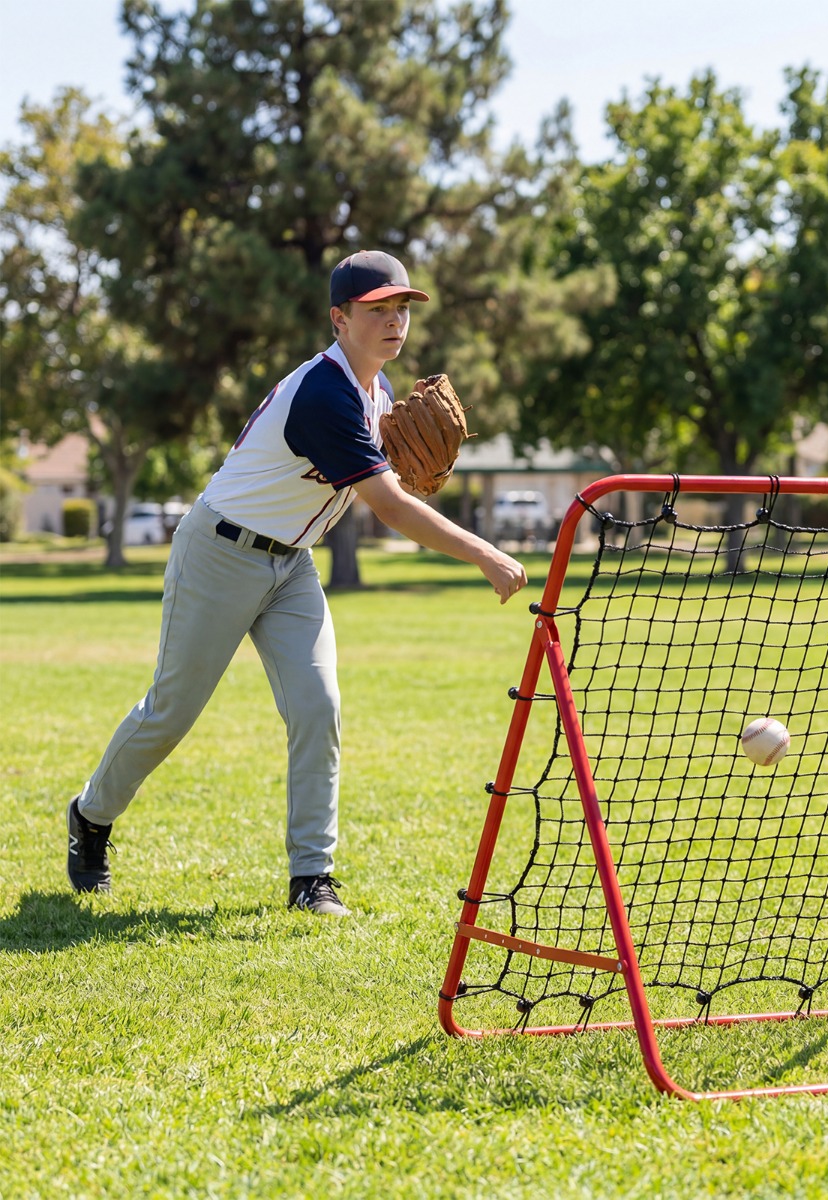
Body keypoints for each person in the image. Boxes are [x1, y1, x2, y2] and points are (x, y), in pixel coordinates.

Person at [67, 250, 528, 916]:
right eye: (377, 309)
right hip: (220, 553)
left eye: (402, 308)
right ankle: (90, 816)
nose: (395, 320)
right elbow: (391, 508)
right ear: (339, 319)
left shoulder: (379, 394)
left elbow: (390, 485)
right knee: (171, 711)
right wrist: (484, 552)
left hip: (292, 567)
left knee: (319, 708)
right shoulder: (325, 393)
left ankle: (312, 877)